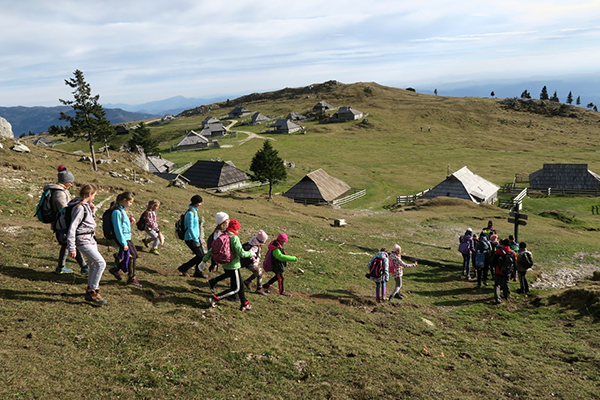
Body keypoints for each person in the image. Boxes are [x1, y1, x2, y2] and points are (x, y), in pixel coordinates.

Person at [66, 183, 107, 306]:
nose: (94, 197)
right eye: (94, 195)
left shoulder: (86, 206)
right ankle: (93, 290)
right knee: (101, 263)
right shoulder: (79, 208)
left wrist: (92, 211)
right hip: (83, 240)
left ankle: (90, 290)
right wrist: (71, 247)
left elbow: (88, 222)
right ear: (89, 194)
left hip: (90, 238)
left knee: (94, 264)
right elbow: (72, 227)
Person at [45, 165, 88, 274]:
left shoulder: (58, 190)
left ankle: (61, 267)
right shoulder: (59, 192)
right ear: (64, 181)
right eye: (70, 182)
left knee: (65, 245)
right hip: (63, 224)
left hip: (60, 223)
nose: (71, 184)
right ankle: (84, 267)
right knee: (72, 244)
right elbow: (64, 209)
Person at [205, 219, 254, 311]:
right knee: (235, 288)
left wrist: (204, 259)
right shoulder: (234, 238)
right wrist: (251, 253)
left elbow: (212, 249)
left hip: (225, 264)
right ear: (236, 229)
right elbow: (242, 253)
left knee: (240, 284)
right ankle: (214, 298)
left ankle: (244, 303)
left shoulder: (223, 235)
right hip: (233, 266)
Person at [107, 191, 142, 288]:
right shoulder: (117, 212)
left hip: (127, 237)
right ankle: (131, 278)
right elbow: (118, 229)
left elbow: (123, 223)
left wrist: (129, 220)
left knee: (134, 255)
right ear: (124, 200)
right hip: (124, 238)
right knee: (132, 256)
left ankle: (116, 269)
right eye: (130, 202)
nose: (131, 204)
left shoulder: (121, 209)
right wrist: (123, 243)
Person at [177, 195, 208, 278]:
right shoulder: (190, 213)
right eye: (200, 202)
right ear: (197, 203)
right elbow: (190, 228)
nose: (201, 204)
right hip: (190, 238)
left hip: (194, 237)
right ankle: (184, 268)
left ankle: (197, 272)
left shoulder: (194, 211)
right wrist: (196, 240)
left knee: (201, 255)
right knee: (201, 255)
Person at [241, 229, 269, 295]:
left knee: (258, 271)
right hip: (250, 263)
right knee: (259, 274)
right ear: (263, 241)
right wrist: (254, 260)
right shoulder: (255, 246)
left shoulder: (253, 241)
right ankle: (259, 289)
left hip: (249, 262)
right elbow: (250, 253)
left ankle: (248, 281)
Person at [491, 239, 517, 304]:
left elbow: (494, 262)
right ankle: (506, 296)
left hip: (498, 270)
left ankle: (497, 298)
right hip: (508, 271)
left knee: (497, 284)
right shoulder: (513, 253)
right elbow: (515, 264)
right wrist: (514, 275)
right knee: (506, 283)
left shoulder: (498, 251)